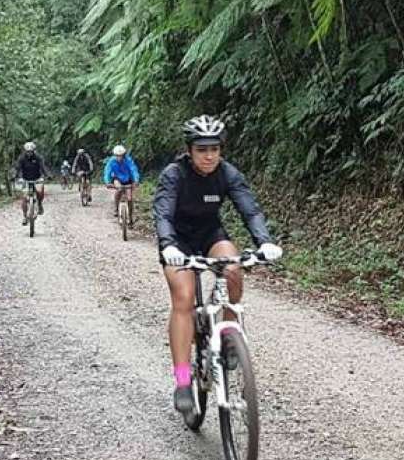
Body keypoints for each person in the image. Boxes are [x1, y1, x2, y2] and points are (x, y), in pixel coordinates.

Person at [153, 115, 283, 415]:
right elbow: (163, 214)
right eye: (202, 149)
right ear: (190, 150)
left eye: (214, 148)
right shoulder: (174, 174)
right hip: (178, 242)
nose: (209, 155)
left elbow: (249, 209)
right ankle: (183, 380)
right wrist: (168, 246)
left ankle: (227, 336)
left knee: (234, 270)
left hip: (211, 234)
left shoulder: (227, 173)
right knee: (183, 298)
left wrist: (264, 241)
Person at [103, 144, 140, 226]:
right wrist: (107, 182)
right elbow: (107, 171)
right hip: (117, 179)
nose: (119, 158)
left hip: (128, 180)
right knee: (119, 189)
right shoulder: (111, 161)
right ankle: (116, 208)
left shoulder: (128, 160)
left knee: (130, 199)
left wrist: (136, 180)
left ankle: (130, 217)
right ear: (115, 155)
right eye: (117, 156)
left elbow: (133, 170)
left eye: (121, 156)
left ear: (124, 155)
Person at [14, 141, 50, 225]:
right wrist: (14, 176)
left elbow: (43, 167)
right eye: (27, 151)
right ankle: (24, 216)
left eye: (31, 151)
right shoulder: (22, 158)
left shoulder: (38, 157)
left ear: (33, 151)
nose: (29, 153)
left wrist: (47, 175)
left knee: (40, 192)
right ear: (25, 151)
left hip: (37, 178)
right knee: (24, 198)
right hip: (25, 179)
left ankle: (40, 204)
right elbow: (17, 168)